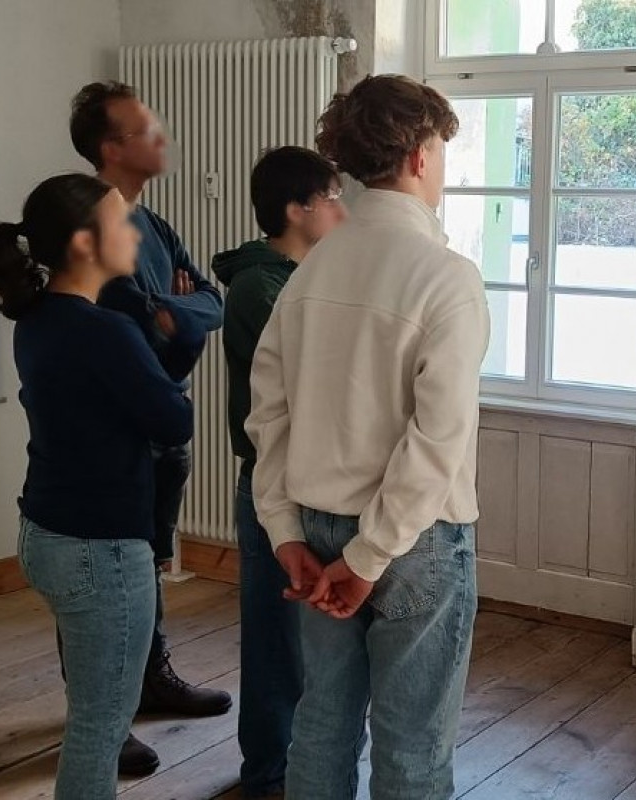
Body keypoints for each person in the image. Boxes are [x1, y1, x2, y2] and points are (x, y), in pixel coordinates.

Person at [246, 74, 489, 800]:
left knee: (321, 722)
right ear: (419, 156)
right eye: (441, 149)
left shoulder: (310, 270)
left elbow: (270, 413)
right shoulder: (446, 277)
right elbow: (437, 438)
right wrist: (372, 552)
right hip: (412, 539)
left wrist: (285, 530)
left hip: (316, 530)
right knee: (413, 745)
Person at [0, 174, 204, 798]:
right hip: (99, 549)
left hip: (45, 532)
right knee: (101, 726)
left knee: (93, 716)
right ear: (84, 242)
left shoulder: (40, 319)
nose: (133, 231)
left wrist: (164, 352)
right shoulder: (105, 331)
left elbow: (129, 403)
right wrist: (184, 338)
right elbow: (172, 418)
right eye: (118, 221)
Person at [69, 80, 228, 777]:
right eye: (144, 129)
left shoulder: (155, 225)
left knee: (151, 561)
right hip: (118, 431)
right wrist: (169, 318)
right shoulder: (84, 226)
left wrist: (174, 316)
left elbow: (208, 303)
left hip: (165, 423)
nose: (160, 136)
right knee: (103, 577)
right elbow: (135, 330)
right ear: (110, 148)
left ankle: (150, 678)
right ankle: (99, 714)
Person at [212, 146, 347, 799]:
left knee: (312, 633)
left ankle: (307, 762)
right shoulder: (257, 287)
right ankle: (268, 770)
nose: (342, 210)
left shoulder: (304, 276)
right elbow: (319, 371)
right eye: (331, 198)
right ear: (298, 210)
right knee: (274, 637)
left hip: (314, 478)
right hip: (271, 483)